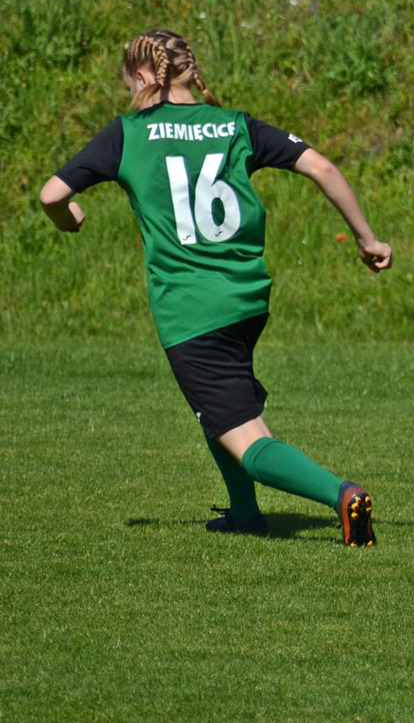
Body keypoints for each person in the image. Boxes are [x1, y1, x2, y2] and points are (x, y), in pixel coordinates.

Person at [39, 29, 390, 547]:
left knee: (248, 439)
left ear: (143, 76)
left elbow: (52, 195)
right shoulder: (235, 126)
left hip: (191, 310)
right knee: (217, 411)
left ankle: (342, 495)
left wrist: (68, 218)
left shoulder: (129, 133)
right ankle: (245, 514)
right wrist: (366, 238)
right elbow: (320, 165)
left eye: (127, 81)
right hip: (245, 299)